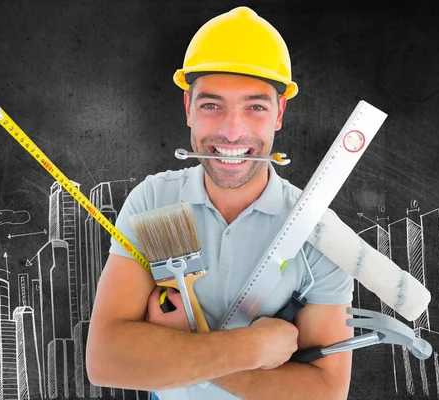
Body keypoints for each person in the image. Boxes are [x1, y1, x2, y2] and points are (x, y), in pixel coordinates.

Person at [87, 6, 354, 400]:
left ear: (279, 113)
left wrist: (184, 348)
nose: (232, 131)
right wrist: (251, 349)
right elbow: (107, 361)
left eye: (255, 107)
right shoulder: (154, 200)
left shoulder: (320, 231)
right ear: (188, 109)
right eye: (212, 105)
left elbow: (325, 393)